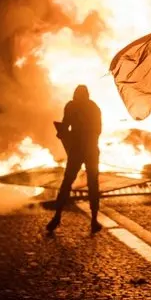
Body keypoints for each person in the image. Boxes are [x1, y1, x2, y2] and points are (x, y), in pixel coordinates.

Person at [47, 85, 102, 234]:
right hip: (90, 149)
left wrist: (63, 133)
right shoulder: (93, 107)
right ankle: (94, 220)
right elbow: (98, 130)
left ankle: (57, 217)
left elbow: (66, 126)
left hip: (78, 150)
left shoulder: (72, 106)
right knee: (92, 184)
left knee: (67, 182)